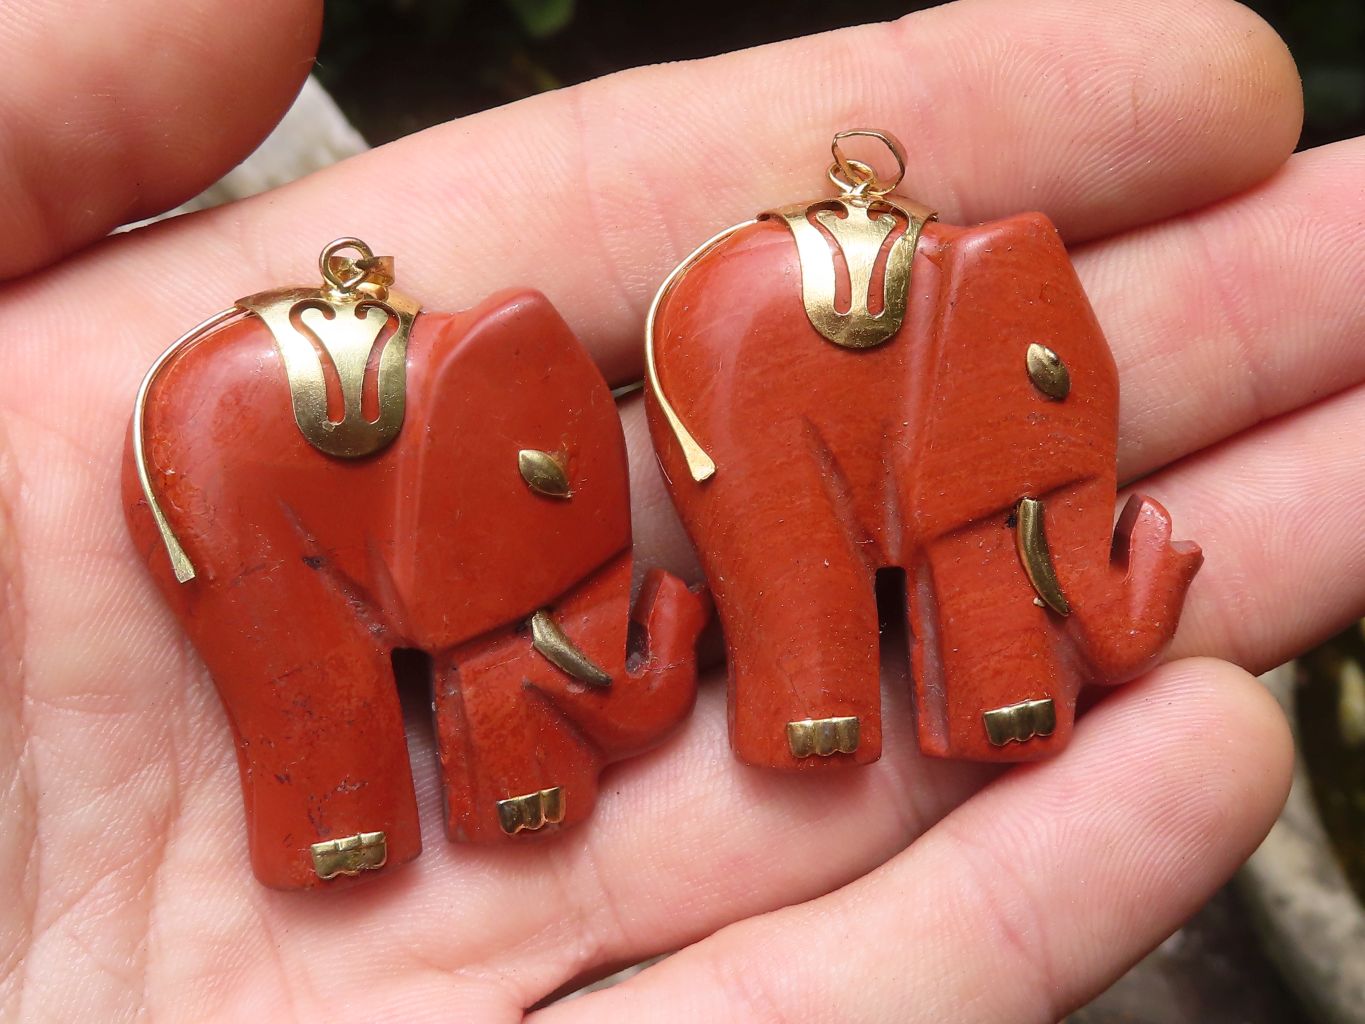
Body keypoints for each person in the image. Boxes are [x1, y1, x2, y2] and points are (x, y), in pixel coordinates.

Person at [0, 0, 1353, 1019]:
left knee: (572, 594)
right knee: (373, 650)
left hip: (765, 382)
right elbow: (488, 554)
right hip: (267, 478)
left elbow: (1031, 429)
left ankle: (829, 709)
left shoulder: (991, 330)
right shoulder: (436, 435)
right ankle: (360, 804)